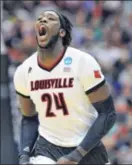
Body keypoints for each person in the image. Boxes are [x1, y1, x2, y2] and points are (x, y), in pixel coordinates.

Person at [13, 10, 116, 164]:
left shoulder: (82, 62)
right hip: (48, 147)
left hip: (87, 147)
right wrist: (24, 156)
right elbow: (28, 118)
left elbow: (108, 114)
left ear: (62, 32)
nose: (43, 20)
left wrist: (76, 155)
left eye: (50, 18)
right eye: (40, 18)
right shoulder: (24, 71)